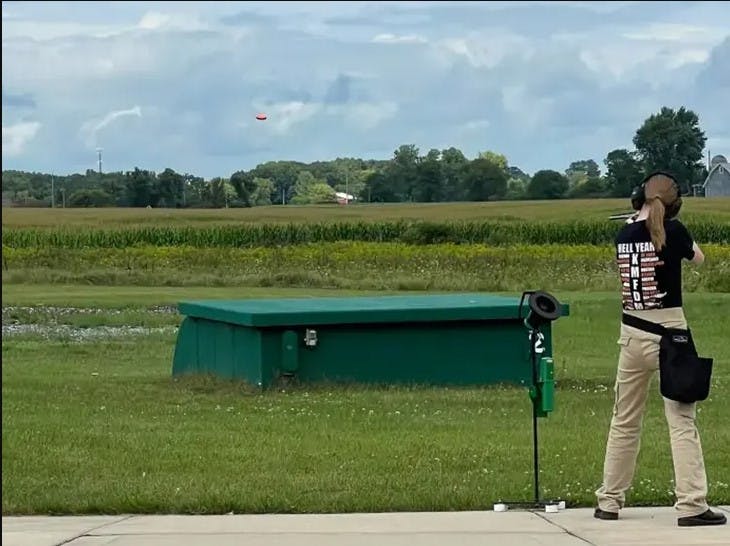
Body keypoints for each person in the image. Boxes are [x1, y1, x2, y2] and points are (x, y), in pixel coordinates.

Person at [594, 172, 726, 527]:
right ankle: (692, 504)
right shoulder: (675, 231)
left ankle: (609, 499)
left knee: (624, 420)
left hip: (631, 333)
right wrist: (676, 228)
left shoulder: (623, 234)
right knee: (682, 421)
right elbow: (698, 258)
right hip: (670, 334)